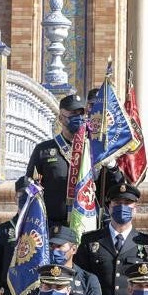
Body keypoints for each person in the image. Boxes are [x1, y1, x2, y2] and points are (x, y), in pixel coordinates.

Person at [25, 92, 123, 230]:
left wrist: (112, 167)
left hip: (88, 224)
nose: (78, 118)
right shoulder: (43, 150)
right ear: (61, 118)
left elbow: (116, 187)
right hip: (55, 227)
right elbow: (28, 186)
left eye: (80, 114)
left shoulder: (95, 149)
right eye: (72, 114)